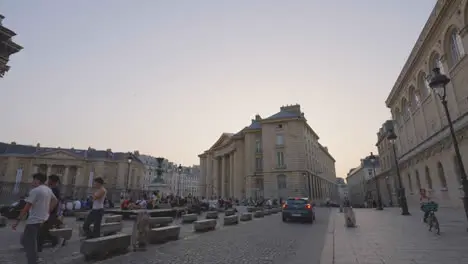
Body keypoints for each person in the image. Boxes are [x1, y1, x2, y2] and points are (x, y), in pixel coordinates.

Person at [13, 173, 57, 264]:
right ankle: (35, 258)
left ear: (37, 180)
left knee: (29, 243)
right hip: (43, 219)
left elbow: (27, 207)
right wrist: (48, 211)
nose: (32, 182)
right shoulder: (48, 189)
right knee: (27, 240)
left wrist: (17, 221)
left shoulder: (35, 191)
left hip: (34, 220)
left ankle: (33, 260)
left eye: (33, 180)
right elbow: (55, 200)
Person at [37, 175, 62, 250]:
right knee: (47, 229)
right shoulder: (54, 189)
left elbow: (54, 201)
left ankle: (38, 247)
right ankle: (55, 242)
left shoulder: (54, 190)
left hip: (50, 212)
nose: (47, 181)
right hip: (51, 212)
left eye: (49, 180)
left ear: (52, 181)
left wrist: (48, 211)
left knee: (42, 230)